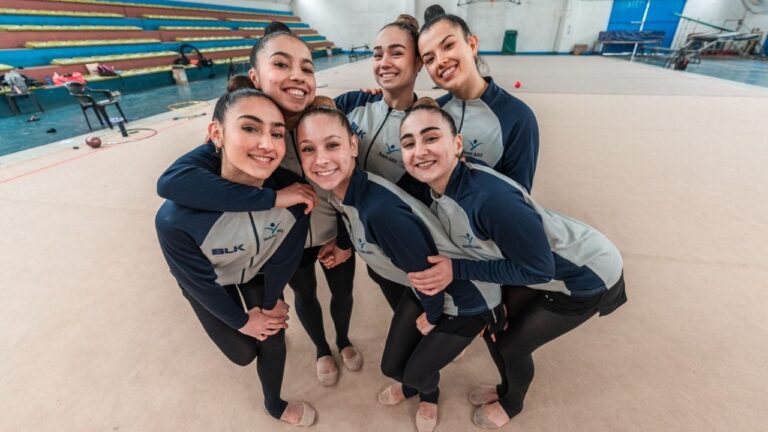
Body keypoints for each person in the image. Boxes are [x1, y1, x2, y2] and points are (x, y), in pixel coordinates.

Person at [398, 100, 627, 429]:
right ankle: (505, 387)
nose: (419, 151)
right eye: (409, 143)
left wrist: (456, 268)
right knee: (496, 331)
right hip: (541, 261)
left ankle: (513, 402)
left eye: (431, 138)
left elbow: (539, 271)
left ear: (458, 144)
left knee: (512, 345)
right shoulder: (443, 185)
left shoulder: (490, 201)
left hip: (587, 274)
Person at [157, 23, 362, 386]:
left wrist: (344, 240)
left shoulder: (324, 120)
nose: (296, 76)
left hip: (331, 232)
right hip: (284, 238)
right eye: (281, 65)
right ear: (256, 76)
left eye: (306, 68)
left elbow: (352, 186)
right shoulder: (243, 133)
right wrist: (274, 197)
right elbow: (173, 182)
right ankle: (321, 348)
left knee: (343, 293)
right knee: (305, 296)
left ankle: (343, 340)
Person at [295, 105, 505, 432]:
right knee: (393, 365)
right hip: (425, 288)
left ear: (353, 146)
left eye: (332, 145)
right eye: (308, 149)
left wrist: (434, 316)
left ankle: (428, 394)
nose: (320, 159)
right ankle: (415, 384)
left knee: (412, 371)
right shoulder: (343, 193)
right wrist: (343, 245)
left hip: (466, 298)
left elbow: (427, 272)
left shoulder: (379, 211)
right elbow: (350, 219)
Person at [155, 87, 316, 426]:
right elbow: (198, 282)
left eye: (276, 133)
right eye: (249, 128)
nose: (267, 144)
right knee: (243, 352)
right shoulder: (175, 221)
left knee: (272, 334)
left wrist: (271, 302)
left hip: (257, 271)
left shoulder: (295, 194)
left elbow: (285, 256)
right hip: (211, 281)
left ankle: (273, 403)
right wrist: (244, 321)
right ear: (217, 133)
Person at [334, 14, 423, 311]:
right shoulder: (351, 104)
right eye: (377, 54)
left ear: (419, 62)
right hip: (362, 239)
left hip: (400, 243)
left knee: (415, 308)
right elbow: (308, 120)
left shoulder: (425, 126)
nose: (384, 62)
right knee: (385, 285)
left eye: (396, 53)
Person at [418, 5, 539, 193]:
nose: (440, 60)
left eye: (448, 46)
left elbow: (519, 199)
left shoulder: (518, 117)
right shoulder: (434, 112)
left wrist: (469, 168)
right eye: (429, 59)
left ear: (472, 45)